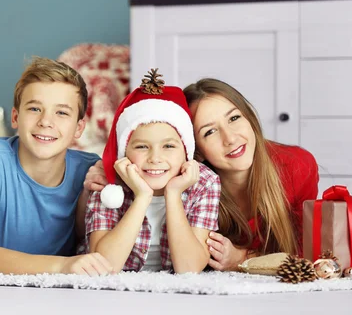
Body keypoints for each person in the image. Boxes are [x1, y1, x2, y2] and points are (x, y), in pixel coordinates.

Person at [84, 78, 318, 272]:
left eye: (234, 118)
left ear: (250, 118)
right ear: (196, 152)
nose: (230, 138)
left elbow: (309, 257)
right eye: (210, 132)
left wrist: (241, 259)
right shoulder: (191, 181)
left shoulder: (296, 166)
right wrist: (104, 167)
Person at [0, 57, 113, 276]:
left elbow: (87, 244)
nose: (46, 122)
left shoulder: (90, 169)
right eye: (35, 109)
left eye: (62, 112)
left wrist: (85, 198)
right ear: (15, 117)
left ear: (79, 128)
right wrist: (62, 266)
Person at [83, 69, 220, 273]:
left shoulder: (204, 182)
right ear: (124, 153)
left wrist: (173, 194)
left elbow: (189, 269)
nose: (155, 158)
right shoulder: (108, 182)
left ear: (186, 152)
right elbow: (104, 266)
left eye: (169, 146)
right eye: (141, 147)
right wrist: (142, 197)